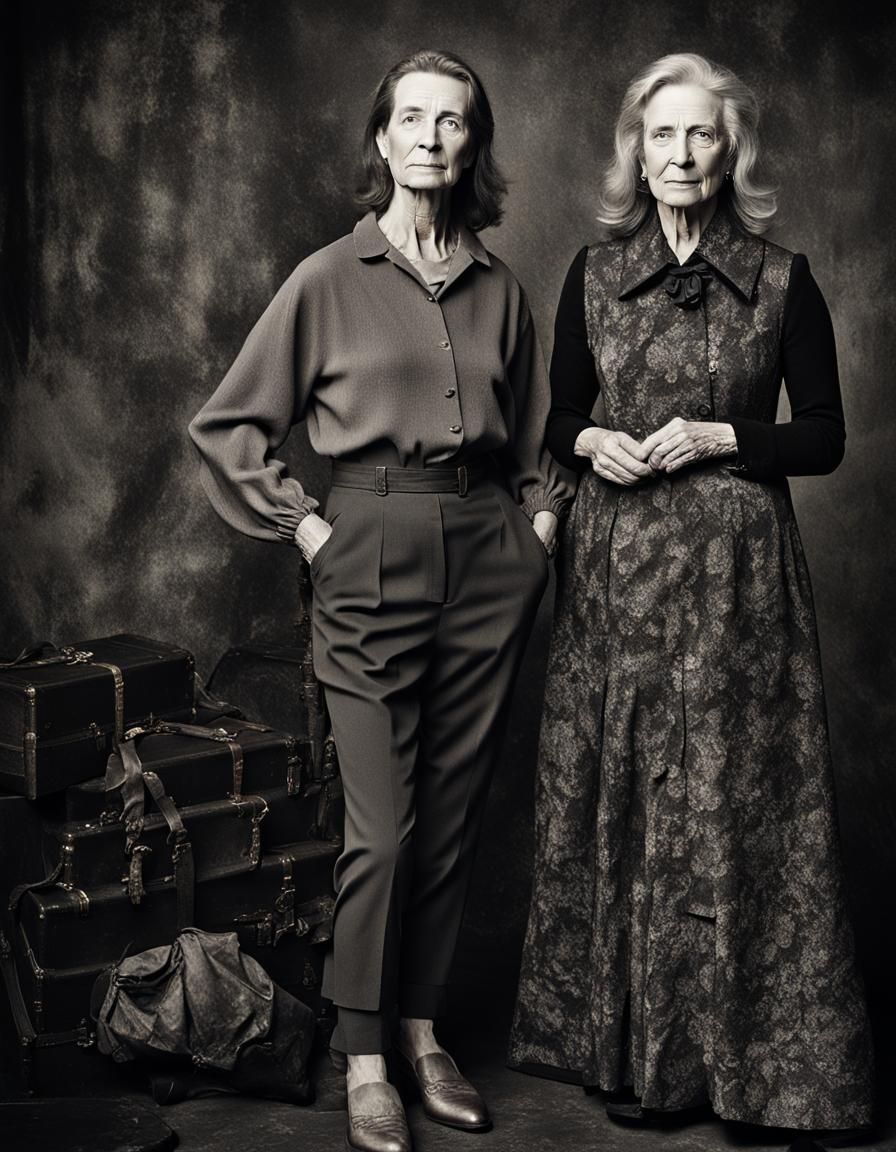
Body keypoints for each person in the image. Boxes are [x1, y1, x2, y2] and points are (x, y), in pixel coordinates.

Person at [189, 49, 572, 1152]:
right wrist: (306, 527)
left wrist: (536, 532)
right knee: (382, 828)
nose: (430, 139)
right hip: (364, 543)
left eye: (451, 122)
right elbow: (227, 430)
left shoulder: (502, 290)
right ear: (381, 139)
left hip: (486, 556)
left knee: (450, 821)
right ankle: (363, 1054)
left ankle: (419, 1030)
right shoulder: (325, 278)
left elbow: (538, 440)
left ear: (471, 145)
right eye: (411, 118)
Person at [509, 52, 874, 1135]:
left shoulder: (782, 276)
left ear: (729, 153)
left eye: (699, 136)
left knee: (737, 808)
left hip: (736, 589)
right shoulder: (588, 273)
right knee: (635, 807)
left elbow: (824, 437)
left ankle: (764, 1078)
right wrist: (588, 440)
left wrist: (724, 434)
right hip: (617, 585)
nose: (677, 155)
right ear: (636, 150)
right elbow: (552, 424)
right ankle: (647, 1066)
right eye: (659, 136)